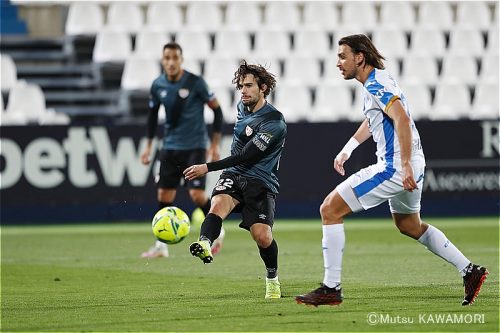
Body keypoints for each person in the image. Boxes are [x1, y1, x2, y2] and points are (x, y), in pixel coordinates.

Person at [295, 34, 488, 306]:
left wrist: (405, 165)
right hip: (411, 163)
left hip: (396, 166)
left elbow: (402, 118)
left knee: (330, 209)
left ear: (359, 57)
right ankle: (469, 270)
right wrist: (349, 148)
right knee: (409, 224)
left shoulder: (375, 84)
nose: (338, 63)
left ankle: (331, 287)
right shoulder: (377, 83)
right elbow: (375, 118)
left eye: (342, 56)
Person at [183, 61, 287, 299]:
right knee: (217, 205)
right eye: (241, 86)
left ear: (263, 88)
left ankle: (272, 279)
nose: (243, 90)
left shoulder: (274, 122)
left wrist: (207, 168)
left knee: (262, 236)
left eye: (249, 85)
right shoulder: (242, 106)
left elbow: (246, 156)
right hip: (234, 175)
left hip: (260, 181)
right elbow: (240, 157)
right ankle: (205, 243)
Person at [140, 42, 225, 258]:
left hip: (195, 147)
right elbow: (151, 116)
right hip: (170, 148)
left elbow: (218, 111)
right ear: (162, 60)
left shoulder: (196, 82)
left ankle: (218, 229)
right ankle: (161, 247)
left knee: (196, 195)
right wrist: (148, 145)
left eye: (174, 58)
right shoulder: (157, 85)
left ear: (181, 60)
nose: (170, 62)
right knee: (164, 196)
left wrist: (214, 145)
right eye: (167, 58)